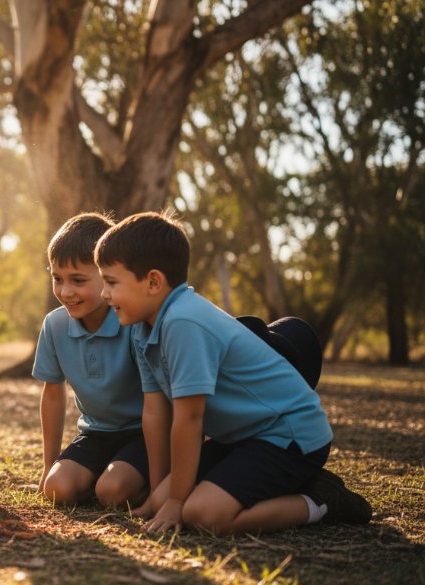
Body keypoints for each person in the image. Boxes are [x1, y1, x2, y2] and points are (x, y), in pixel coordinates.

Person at [94, 211, 372, 535]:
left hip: (288, 435)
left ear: (153, 282)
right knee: (166, 501)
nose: (104, 294)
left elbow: (190, 419)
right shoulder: (143, 327)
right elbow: (156, 411)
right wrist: (160, 499)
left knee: (203, 516)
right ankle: (259, 486)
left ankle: (322, 500)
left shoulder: (183, 322)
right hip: (243, 438)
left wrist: (177, 502)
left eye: (112, 282)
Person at [33, 213, 148, 508]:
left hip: (143, 434)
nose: (66, 291)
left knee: (113, 491)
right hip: (96, 433)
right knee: (57, 489)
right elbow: (54, 395)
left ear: (108, 275)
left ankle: (125, 477)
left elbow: (159, 398)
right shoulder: (55, 325)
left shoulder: (132, 322)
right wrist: (49, 465)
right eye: (57, 279)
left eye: (79, 280)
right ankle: (102, 475)